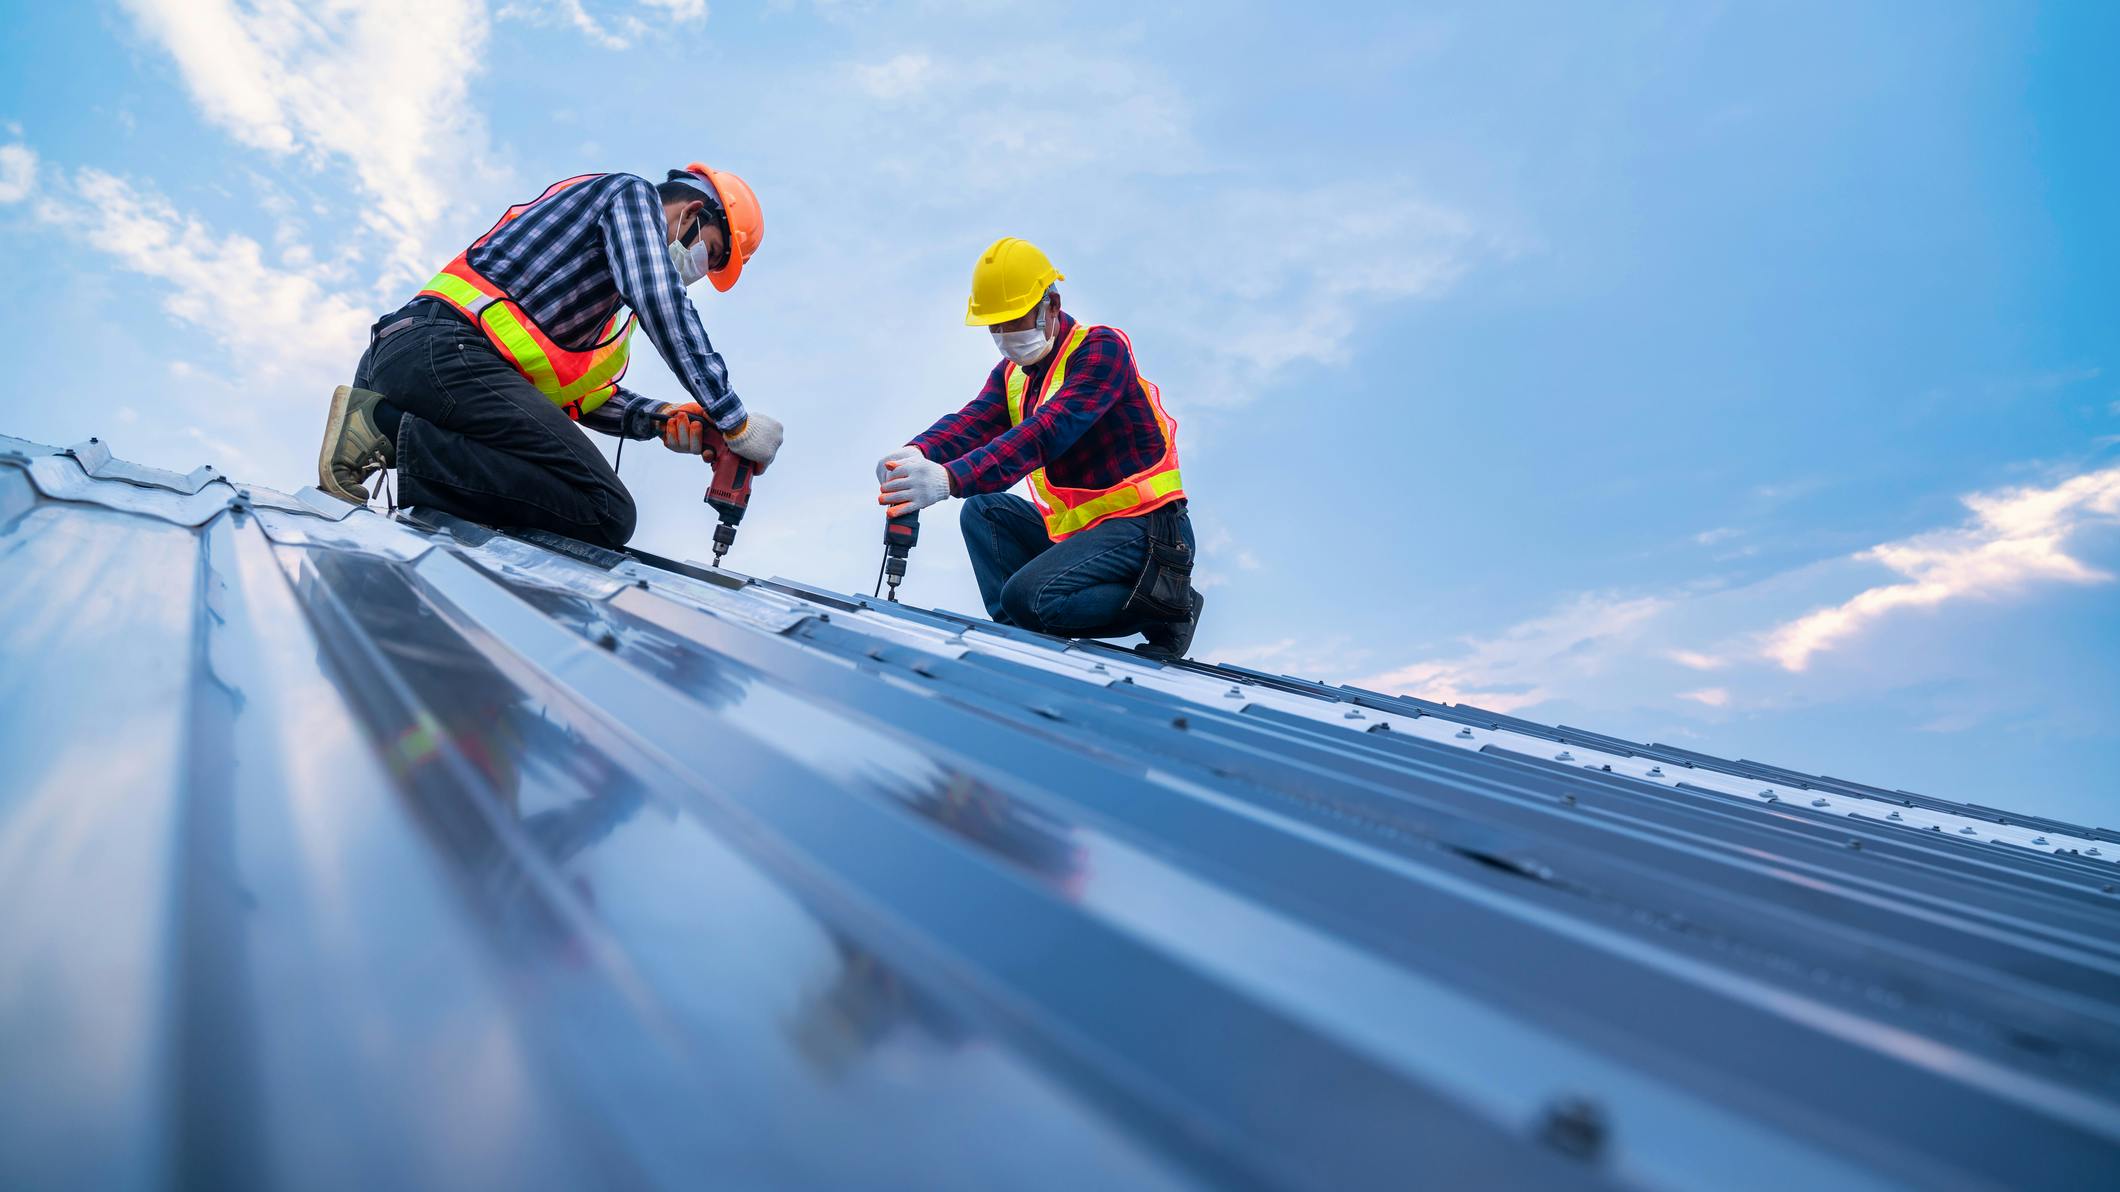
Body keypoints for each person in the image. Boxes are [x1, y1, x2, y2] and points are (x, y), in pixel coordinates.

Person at [315, 163, 781, 548]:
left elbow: (586, 398)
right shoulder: (630, 197)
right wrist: (733, 418)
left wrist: (665, 417)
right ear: (694, 213)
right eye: (710, 251)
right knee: (605, 510)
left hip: (426, 365)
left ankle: (381, 432)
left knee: (558, 492)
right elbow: (659, 296)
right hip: (439, 352)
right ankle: (383, 428)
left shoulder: (606, 312)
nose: (697, 269)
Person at [877, 237, 1204, 657]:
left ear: (1052, 305)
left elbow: (1048, 431)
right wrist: (915, 454)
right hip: (1084, 538)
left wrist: (949, 478)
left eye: (1014, 320)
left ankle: (1170, 607)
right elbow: (970, 423)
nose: (1004, 335)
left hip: (1148, 531)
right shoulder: (1013, 376)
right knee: (983, 509)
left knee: (1029, 597)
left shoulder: (1101, 351)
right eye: (995, 325)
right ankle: (1023, 639)